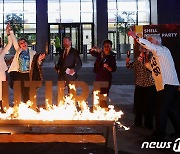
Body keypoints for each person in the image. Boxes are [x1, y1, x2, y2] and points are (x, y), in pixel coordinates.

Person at [128, 30, 180, 141]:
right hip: (163, 86)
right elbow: (151, 68)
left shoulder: (163, 50)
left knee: (160, 109)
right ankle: (178, 132)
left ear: (155, 42)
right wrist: (143, 61)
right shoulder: (156, 56)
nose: (147, 45)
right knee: (169, 109)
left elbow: (150, 47)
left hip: (168, 84)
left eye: (149, 42)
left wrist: (136, 37)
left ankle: (159, 134)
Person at [8, 27, 45, 103]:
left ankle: (29, 104)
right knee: (21, 91)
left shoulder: (33, 52)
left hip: (29, 74)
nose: (23, 44)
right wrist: (11, 31)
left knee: (29, 91)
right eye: (21, 43)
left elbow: (36, 63)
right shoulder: (19, 51)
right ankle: (24, 104)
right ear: (19, 45)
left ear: (27, 43)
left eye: (24, 42)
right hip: (19, 74)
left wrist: (39, 59)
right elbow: (14, 40)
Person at [126, 46, 156, 130]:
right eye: (142, 49)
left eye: (145, 49)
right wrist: (127, 62)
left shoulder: (151, 58)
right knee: (138, 105)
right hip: (139, 84)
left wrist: (145, 60)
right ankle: (137, 122)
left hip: (149, 85)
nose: (143, 51)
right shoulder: (138, 59)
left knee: (148, 106)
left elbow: (152, 70)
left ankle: (148, 124)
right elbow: (130, 67)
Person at [90, 40, 117, 108]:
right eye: (105, 46)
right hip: (99, 76)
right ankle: (98, 109)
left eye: (108, 46)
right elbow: (92, 52)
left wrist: (108, 67)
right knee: (96, 94)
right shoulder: (100, 54)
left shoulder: (112, 56)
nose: (106, 48)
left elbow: (113, 69)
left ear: (111, 47)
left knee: (103, 96)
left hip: (106, 78)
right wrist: (94, 49)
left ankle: (104, 109)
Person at [0, 24, 12, 108]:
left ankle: (2, 105)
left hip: (1, 72)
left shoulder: (2, 51)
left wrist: (8, 33)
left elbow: (10, 43)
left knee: (1, 88)